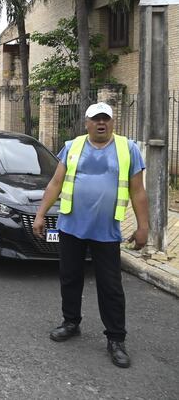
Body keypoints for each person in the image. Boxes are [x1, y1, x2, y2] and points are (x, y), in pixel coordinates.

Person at [32, 102, 149, 368]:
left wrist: (143, 227)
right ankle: (71, 322)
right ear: (86, 123)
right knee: (70, 278)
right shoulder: (73, 146)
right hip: (71, 228)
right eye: (96, 119)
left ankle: (116, 339)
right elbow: (56, 183)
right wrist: (40, 214)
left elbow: (138, 191)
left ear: (112, 122)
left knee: (111, 287)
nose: (101, 124)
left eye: (105, 119)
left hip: (106, 232)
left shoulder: (127, 148)